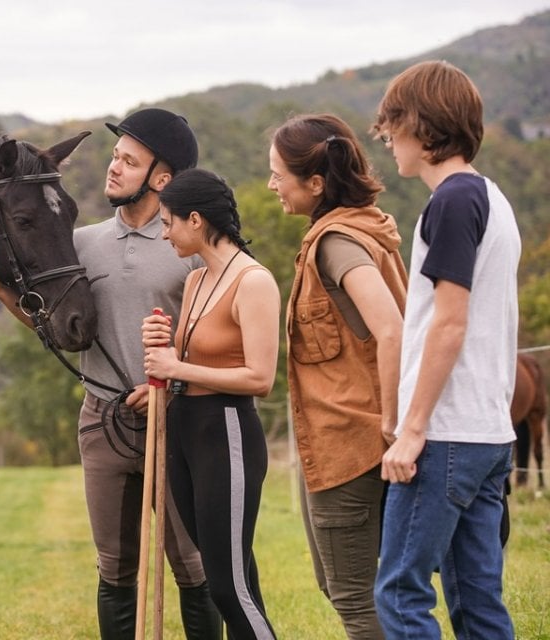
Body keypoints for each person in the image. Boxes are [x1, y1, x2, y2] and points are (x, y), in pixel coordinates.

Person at [0, 108, 222, 639]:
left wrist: (174, 385)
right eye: (115, 156)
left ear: (162, 177)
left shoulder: (191, 249)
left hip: (175, 424)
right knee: (114, 569)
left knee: (192, 568)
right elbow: (52, 324)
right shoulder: (81, 245)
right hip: (101, 424)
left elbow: (224, 339)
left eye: (128, 161)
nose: (113, 168)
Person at [373, 61, 519, 639]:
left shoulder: (453, 202)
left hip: (447, 435)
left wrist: (412, 430)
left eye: (392, 125)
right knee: (479, 602)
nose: (387, 138)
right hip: (487, 433)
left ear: (423, 125)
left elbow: (450, 325)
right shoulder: (490, 197)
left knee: (401, 592)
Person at [268, 114, 407, 639]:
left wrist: (393, 422)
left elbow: (391, 330)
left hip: (350, 442)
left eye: (278, 174)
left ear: (317, 183)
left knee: (353, 596)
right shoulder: (369, 227)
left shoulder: (337, 243)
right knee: (359, 590)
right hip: (352, 441)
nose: (272, 185)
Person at [141, 168, 280, 639]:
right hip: (187, 429)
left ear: (195, 220)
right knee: (230, 578)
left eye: (167, 222)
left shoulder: (254, 281)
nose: (164, 233)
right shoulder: (197, 280)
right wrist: (163, 348)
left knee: (226, 586)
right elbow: (187, 358)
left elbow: (260, 377)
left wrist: (176, 368)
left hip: (228, 432)